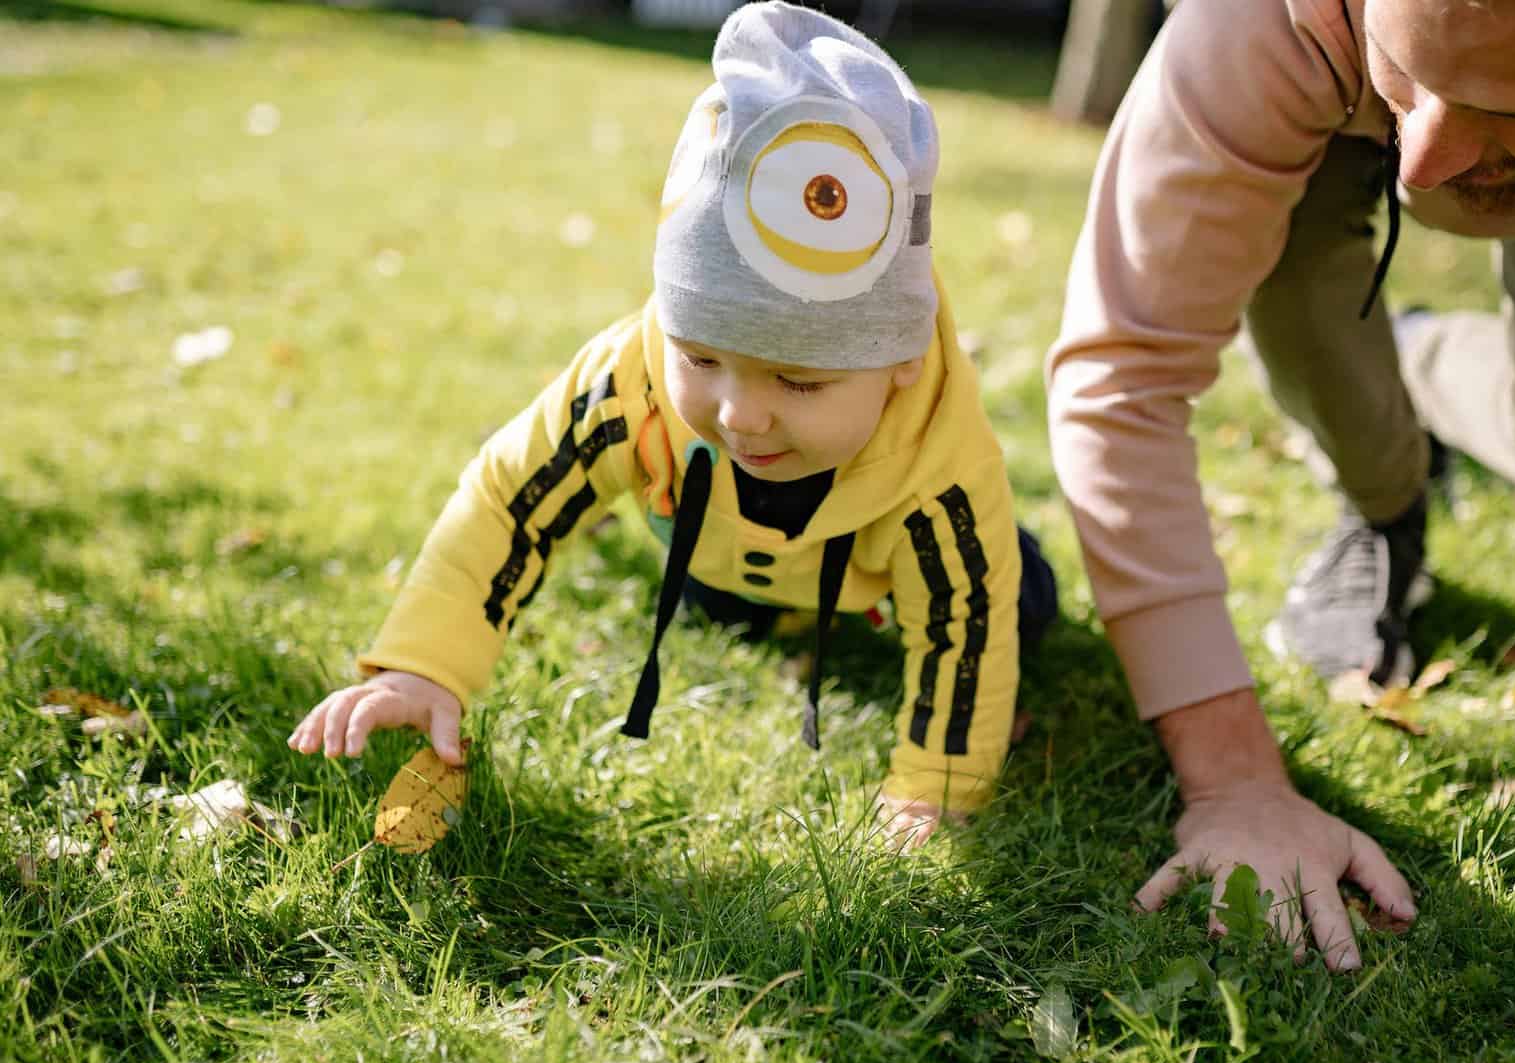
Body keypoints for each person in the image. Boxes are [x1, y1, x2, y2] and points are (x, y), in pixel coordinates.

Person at [1047, 0, 1515, 967]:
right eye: (1408, 72)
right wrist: (1235, 783)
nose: (1423, 165)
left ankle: (1410, 355)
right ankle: (1382, 486)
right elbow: (1125, 373)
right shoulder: (1260, 22)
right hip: (1311, 88)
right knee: (1337, 363)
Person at [289, 1, 1057, 847]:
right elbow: (512, 501)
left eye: (799, 382)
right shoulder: (629, 382)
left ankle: (864, 620)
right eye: (700, 361)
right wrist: (422, 664)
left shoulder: (941, 471)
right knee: (717, 602)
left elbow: (967, 624)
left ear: (900, 361)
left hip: (883, 568)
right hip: (724, 551)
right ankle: (772, 608)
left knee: (1014, 594)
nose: (739, 414)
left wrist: (934, 790)